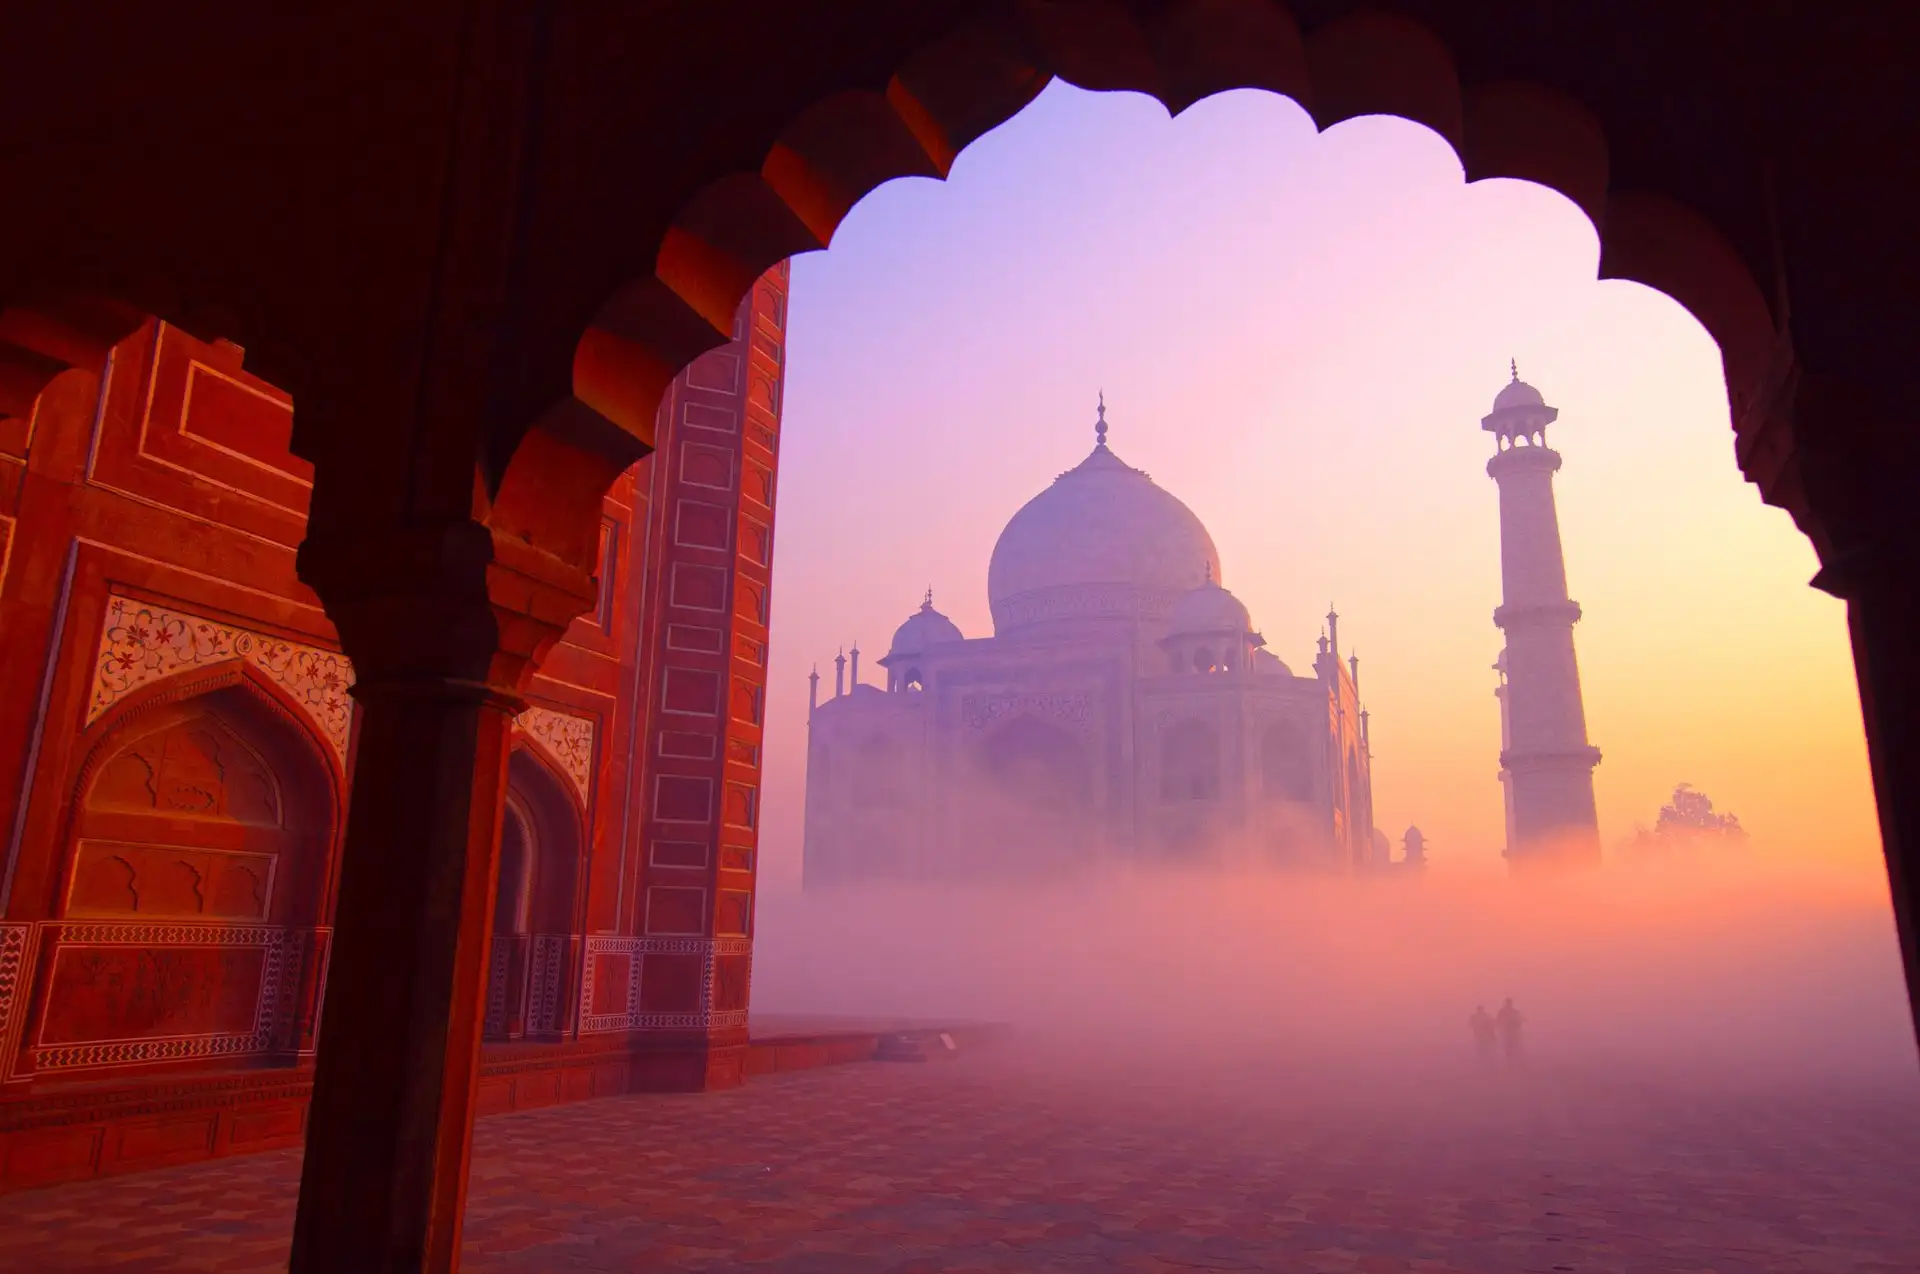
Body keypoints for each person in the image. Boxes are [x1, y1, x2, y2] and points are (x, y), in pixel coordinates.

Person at [1494, 997, 1525, 1068]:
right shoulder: (1502, 1012)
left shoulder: (1515, 1011)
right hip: (1506, 1033)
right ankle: (1510, 1062)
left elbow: (1519, 1021)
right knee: (1508, 1047)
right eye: (1508, 1002)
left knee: (1515, 1047)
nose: (1509, 1004)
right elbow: (1498, 1021)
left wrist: (1518, 1024)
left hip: (1514, 1033)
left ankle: (1515, 1062)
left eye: (1510, 1002)